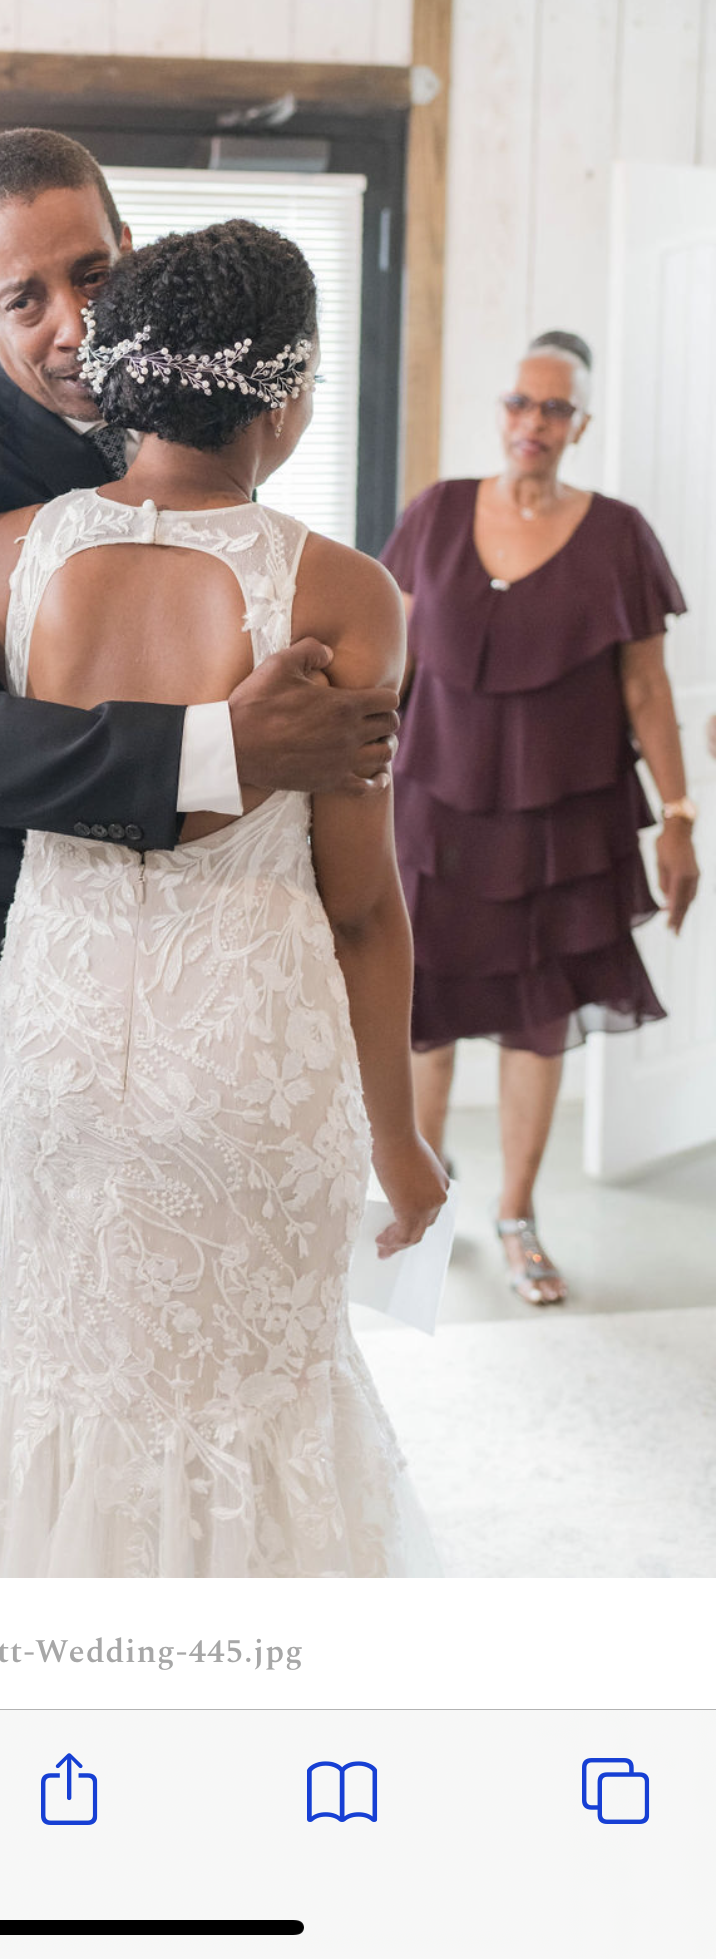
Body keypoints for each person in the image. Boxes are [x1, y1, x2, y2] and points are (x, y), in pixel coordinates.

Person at [0, 130, 404, 1578]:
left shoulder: (112, 488)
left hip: (210, 1008)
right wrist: (229, 747)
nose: (73, 323)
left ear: (133, 251)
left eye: (93, 273)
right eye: (26, 297)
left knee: (200, 1372)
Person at [381, 332, 698, 1307]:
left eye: (555, 409)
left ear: (581, 425)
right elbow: (383, 655)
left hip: (561, 821)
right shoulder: (434, 515)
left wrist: (679, 814)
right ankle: (421, 1207)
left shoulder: (620, 536)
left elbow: (646, 685)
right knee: (421, 1018)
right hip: (434, 807)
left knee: (536, 1025)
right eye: (521, 403)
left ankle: (516, 1214)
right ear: (502, 411)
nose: (533, 423)